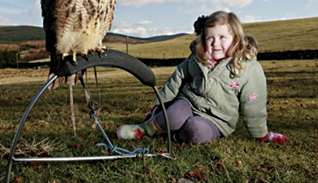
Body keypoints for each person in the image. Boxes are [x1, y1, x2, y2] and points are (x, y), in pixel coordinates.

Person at [117, 11, 288, 145]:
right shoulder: (198, 58)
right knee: (174, 115)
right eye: (210, 38)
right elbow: (178, 77)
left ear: (236, 38)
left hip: (218, 119)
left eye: (222, 37)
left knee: (195, 131)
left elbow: (254, 103)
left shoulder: (248, 68)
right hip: (188, 103)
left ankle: (171, 134)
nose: (215, 43)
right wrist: (159, 102)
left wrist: (261, 134)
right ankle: (144, 129)